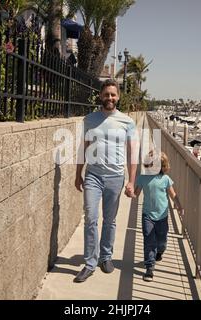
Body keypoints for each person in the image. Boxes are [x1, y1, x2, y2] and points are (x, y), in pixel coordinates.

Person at [74, 79, 138, 283]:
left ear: (118, 97)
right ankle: (90, 263)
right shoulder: (89, 119)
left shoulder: (127, 122)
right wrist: (78, 173)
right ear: (100, 96)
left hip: (115, 178)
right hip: (93, 175)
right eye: (106, 94)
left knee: (109, 220)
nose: (109, 98)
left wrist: (131, 181)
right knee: (91, 218)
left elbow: (132, 153)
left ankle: (106, 257)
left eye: (113, 94)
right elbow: (83, 148)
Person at [134, 151, 182, 282]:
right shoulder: (143, 177)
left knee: (161, 241)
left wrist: (178, 205)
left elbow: (173, 194)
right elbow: (136, 193)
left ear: (162, 166)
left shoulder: (165, 179)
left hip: (162, 216)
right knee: (149, 241)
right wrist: (130, 194)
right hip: (147, 215)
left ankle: (160, 252)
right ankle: (149, 267)